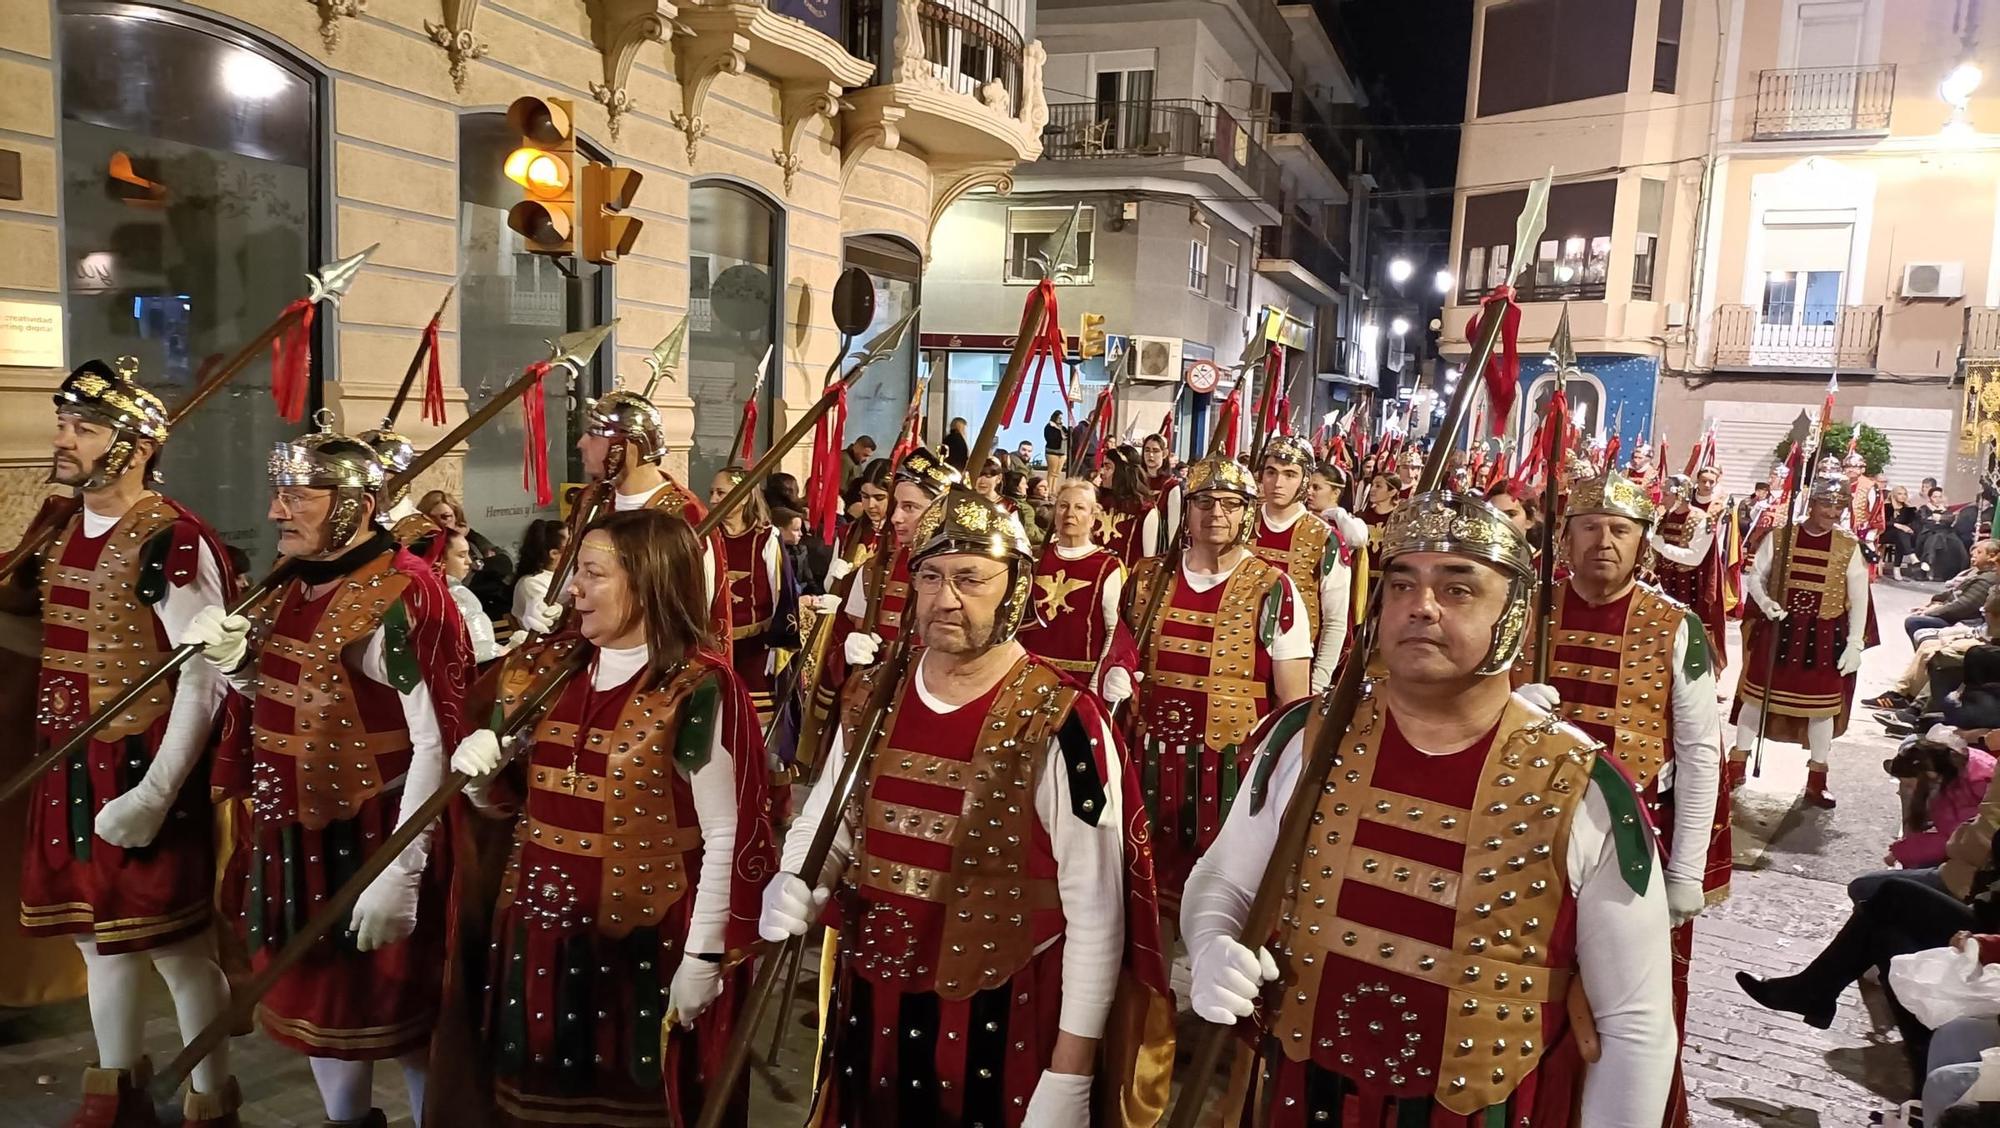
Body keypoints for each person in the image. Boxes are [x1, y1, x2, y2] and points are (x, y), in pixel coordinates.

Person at [1182, 489, 1675, 1126]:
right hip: (1304, 1097)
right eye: (1401, 585)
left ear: (1515, 613)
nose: (1421, 607)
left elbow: (1633, 1027)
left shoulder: (1582, 786)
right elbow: (1224, 877)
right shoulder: (1305, 737)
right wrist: (1212, 940)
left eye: (1458, 589)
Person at [757, 483, 1169, 1127]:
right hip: (872, 1001)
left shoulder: (1065, 721)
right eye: (930, 576)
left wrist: (1070, 1070)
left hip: (1001, 1018)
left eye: (970, 578)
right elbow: (833, 817)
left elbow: (1096, 910)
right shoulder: (877, 695)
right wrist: (800, 876)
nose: (945, 599)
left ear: (1015, 588)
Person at [448, 508, 774, 1128]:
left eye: (593, 573)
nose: (573, 588)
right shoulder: (535, 673)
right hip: (538, 934)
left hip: (647, 938)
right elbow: (507, 810)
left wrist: (705, 956)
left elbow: (727, 832)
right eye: (576, 571)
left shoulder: (698, 687)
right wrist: (481, 783)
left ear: (648, 583)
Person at [189, 423, 471, 1128]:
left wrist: (400, 872)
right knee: (325, 1010)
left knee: (405, 1019)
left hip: (376, 830)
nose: (278, 511)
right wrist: (242, 669)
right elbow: (308, 702)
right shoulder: (295, 586)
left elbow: (437, 741)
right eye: (278, 493)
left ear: (353, 505)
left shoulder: (407, 594)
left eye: (297, 496)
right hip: (297, 831)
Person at [19, 359, 241, 1126]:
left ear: (136, 445)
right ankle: (112, 1089)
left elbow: (205, 676)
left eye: (84, 428)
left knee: (175, 948)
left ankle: (210, 1097)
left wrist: (154, 794)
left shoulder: (170, 539)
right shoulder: (54, 528)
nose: (65, 439)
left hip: (139, 760)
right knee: (95, 941)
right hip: (65, 759)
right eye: (64, 425)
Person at [1536, 469, 1729, 1128]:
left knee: (1629, 1017)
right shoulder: (1525, 611)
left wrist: (1687, 873)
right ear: (1564, 539)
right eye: (1588, 527)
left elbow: (1703, 753)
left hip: (1632, 850)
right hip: (1534, 838)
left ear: (1643, 543)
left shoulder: (1676, 627)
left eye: (1620, 529)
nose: (1604, 542)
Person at [1121, 455, 1311, 902]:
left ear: (1247, 512)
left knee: (1218, 899)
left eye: (1230, 504)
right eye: (1204, 502)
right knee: (1145, 892)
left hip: (1229, 765)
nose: (1216, 514)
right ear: (1187, 510)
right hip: (1146, 757)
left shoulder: (1273, 587)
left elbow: (1293, 703)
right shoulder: (1146, 578)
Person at [1730, 470, 1875, 806]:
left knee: (1821, 709)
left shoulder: (1849, 546)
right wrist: (1766, 604)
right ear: (1813, 503)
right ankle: (1737, 764)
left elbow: (1859, 597)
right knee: (1755, 699)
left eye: (1839, 506)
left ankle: (1817, 777)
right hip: (1780, 630)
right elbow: (1756, 577)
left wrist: (1855, 643)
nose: (1833, 512)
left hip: (1823, 637)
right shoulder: (1780, 537)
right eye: (1827, 504)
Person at [577, 384, 727, 644]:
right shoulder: (592, 500)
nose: (581, 443)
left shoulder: (684, 516)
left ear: (627, 446)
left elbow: (694, 614)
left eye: (594, 434)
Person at [1250, 435, 1352, 691]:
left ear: (1305, 480)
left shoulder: (1325, 538)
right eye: (1271, 472)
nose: (1277, 483)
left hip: (1297, 672)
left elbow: (1335, 620)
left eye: (1289, 474)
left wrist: (1317, 685)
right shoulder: (1240, 525)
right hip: (1239, 667)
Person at [1018, 479, 1134, 700]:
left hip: (1079, 681)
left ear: (1093, 518)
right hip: (1029, 673)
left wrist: (1094, 685)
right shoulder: (1033, 559)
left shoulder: (1106, 566)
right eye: (1063, 506)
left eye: (1079, 507)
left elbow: (1113, 631)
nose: (1069, 513)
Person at [707, 465, 801, 733]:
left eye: (722, 492)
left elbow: (781, 591)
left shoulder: (765, 537)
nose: (713, 499)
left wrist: (779, 643)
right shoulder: (705, 536)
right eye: (712, 492)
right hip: (714, 645)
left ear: (744, 495)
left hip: (755, 647)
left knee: (755, 722)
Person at [1650, 471, 1730, 671]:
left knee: (1687, 634)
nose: (1663, 498)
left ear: (1679, 495)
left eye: (1667, 493)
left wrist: (1659, 545)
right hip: (1663, 581)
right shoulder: (1664, 517)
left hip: (1688, 585)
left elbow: (1694, 556)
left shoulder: (1702, 520)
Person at [418, 489, 513, 619]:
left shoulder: (469, 541)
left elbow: (504, 562)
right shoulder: (420, 548)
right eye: (431, 518)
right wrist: (482, 567)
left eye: (446, 516)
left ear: (456, 517)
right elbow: (462, 582)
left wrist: (470, 534)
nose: (440, 522)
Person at [1908, 541, 2000, 639]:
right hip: (1958, 614)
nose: (1973, 554)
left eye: (1979, 552)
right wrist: (1934, 604)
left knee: (1915, 622)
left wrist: (1931, 611)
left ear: (1991, 557)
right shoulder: (1976, 572)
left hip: (1967, 621)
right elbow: (1953, 593)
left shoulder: (1988, 579)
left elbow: (1963, 606)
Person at [442, 530, 501, 662]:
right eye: (461, 555)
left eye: (468, 554)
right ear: (439, 559)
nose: (469, 561)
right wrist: (503, 651)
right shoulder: (455, 594)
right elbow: (476, 651)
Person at [508, 517, 567, 641]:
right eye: (570, 544)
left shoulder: (570, 575)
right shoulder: (531, 583)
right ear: (554, 553)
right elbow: (541, 620)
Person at [1920, 486, 1970, 580]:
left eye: (1940, 497)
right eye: (1935, 497)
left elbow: (1950, 520)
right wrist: (1941, 521)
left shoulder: (1946, 510)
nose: (1938, 499)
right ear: (1930, 498)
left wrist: (1939, 518)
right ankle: (1930, 563)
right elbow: (1925, 521)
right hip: (1929, 532)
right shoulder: (1924, 508)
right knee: (1937, 537)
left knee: (1955, 543)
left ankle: (1931, 563)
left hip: (1946, 533)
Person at [1359, 471, 1401, 573]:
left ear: (1392, 492)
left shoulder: (1401, 519)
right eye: (1373, 485)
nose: (1372, 489)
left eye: (1378, 486)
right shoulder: (1361, 517)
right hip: (1363, 577)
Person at [1887, 485, 1921, 578]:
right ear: (1894, 495)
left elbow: (1914, 522)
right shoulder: (1887, 506)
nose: (1903, 496)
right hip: (1886, 533)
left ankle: (1897, 568)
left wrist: (1909, 528)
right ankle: (1909, 556)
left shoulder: (1908, 509)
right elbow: (1883, 522)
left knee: (1901, 537)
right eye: (1900, 494)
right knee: (1900, 533)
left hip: (1901, 535)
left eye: (1905, 494)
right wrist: (1898, 525)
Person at [1044, 410, 1069, 479]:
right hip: (1052, 451)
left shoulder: (1063, 428)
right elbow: (1049, 438)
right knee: (1052, 472)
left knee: (1057, 473)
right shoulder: (1049, 427)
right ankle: (1050, 488)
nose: (1060, 420)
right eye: (1059, 418)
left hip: (1062, 452)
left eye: (1061, 418)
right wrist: (1061, 437)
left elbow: (1068, 436)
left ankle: (1054, 488)